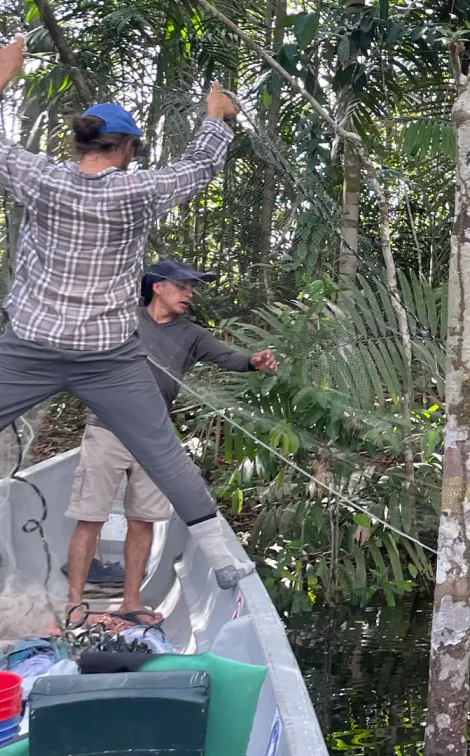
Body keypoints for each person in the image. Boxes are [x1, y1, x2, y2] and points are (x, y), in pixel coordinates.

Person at [0, 36, 252, 589]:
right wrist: (216, 116)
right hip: (106, 358)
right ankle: (227, 562)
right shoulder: (136, 193)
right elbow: (200, 166)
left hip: (30, 347)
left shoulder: (39, 178)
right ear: (128, 149)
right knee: (161, 452)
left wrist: (3, 74)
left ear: (81, 144)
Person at [65, 261, 278, 624]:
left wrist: (254, 362)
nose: (189, 293)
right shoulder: (124, 319)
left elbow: (233, 360)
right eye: (182, 286)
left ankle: (130, 602)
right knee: (90, 518)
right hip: (108, 428)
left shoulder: (191, 334)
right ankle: (72, 605)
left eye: (192, 287)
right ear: (157, 287)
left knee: (143, 519)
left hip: (154, 436)